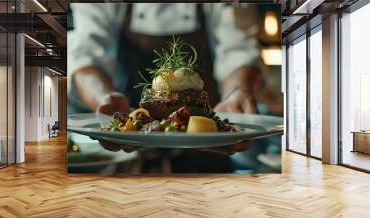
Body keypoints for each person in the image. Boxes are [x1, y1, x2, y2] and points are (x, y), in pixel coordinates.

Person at [68, 3, 264, 172]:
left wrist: (238, 93)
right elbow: (85, 53)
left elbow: (238, 51)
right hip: (131, 160)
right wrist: (104, 98)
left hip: (208, 158)